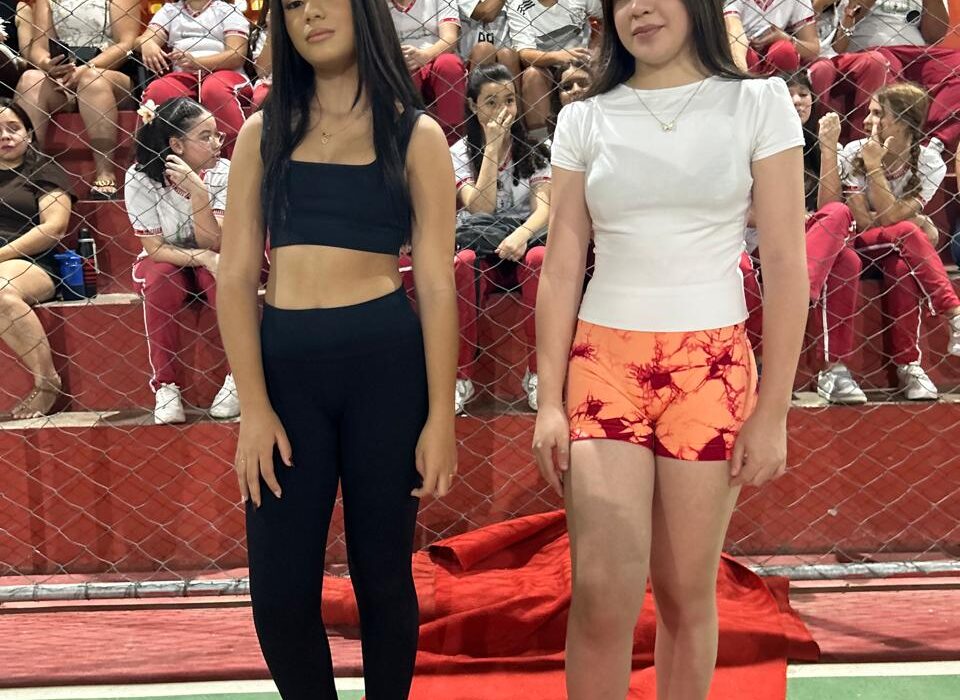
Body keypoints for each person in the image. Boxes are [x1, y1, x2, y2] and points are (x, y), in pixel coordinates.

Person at [532, 1, 808, 698]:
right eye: (621, 0)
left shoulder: (759, 103)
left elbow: (785, 262)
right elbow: (561, 266)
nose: (638, 9)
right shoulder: (583, 118)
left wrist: (774, 411)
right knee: (601, 594)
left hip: (713, 370)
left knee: (687, 591)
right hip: (603, 364)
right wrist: (548, 403)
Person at [216, 0, 459, 695]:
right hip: (285, 374)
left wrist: (441, 417)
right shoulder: (261, 133)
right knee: (279, 594)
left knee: (383, 578)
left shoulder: (416, 136)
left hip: (386, 369)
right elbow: (235, 276)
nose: (309, 14)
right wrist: (254, 408)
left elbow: (436, 284)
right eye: (292, 4)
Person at [822, 82, 960, 400]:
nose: (866, 121)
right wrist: (873, 165)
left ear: (903, 122)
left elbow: (886, 217)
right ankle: (953, 313)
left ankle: (909, 367)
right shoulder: (854, 152)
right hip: (858, 244)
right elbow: (869, 221)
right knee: (911, 232)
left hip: (894, 249)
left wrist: (893, 211)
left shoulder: (930, 162)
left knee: (902, 267)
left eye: (877, 114)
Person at [125, 97, 239, 424]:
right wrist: (202, 256)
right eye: (205, 136)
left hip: (214, 254)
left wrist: (199, 192)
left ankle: (239, 377)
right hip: (168, 258)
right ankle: (166, 386)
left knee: (219, 274)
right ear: (176, 145)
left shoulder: (224, 172)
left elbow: (213, 241)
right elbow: (155, 248)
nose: (217, 143)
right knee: (160, 276)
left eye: (217, 134)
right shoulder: (140, 177)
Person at [452, 63, 551, 411]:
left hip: (525, 242)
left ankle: (538, 374)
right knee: (462, 263)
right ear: (473, 105)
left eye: (509, 100)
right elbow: (480, 207)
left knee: (540, 260)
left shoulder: (538, 148)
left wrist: (521, 236)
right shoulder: (458, 153)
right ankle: (461, 377)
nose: (502, 110)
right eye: (491, 102)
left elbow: (544, 209)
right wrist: (492, 148)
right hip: (482, 246)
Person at [783, 70, 867, 404]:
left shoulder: (821, 144)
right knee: (846, 258)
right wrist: (791, 218)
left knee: (841, 224)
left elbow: (829, 207)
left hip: (813, 242)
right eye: (788, 93)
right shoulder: (754, 142)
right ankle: (834, 369)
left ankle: (802, 292)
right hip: (771, 238)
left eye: (803, 94)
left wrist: (829, 146)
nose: (797, 100)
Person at [15, 0, 140, 198]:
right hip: (63, 75)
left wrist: (88, 68)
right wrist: (48, 64)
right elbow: (38, 48)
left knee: (92, 80)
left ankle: (105, 173)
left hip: (109, 72)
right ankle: (24, 172)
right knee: (30, 79)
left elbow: (126, 44)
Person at [0, 98, 72, 419]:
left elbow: (54, 227)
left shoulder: (43, 170)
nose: (5, 136)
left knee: (0, 291)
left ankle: (47, 383)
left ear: (29, 134)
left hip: (31, 261)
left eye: (13, 128)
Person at [136, 0, 252, 157]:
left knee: (215, 90)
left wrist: (198, 62)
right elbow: (142, 39)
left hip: (224, 72)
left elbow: (236, 55)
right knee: (158, 90)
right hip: (184, 73)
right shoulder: (170, 11)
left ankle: (237, 157)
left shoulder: (227, 11)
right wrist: (147, 43)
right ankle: (155, 161)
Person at [507, 0, 602, 141]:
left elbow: (607, 19)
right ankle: (542, 142)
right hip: (548, 66)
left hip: (583, 61)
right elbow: (525, 53)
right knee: (532, 75)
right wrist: (559, 56)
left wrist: (596, 49)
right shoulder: (519, 6)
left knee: (603, 62)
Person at [388, 0, 467, 145]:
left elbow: (450, 38)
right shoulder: (375, 5)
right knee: (405, 71)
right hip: (399, 62)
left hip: (434, 57)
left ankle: (453, 142)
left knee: (449, 64)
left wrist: (425, 56)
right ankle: (407, 142)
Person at [721, 0, 820, 76]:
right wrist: (742, 72)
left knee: (784, 50)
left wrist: (785, 38)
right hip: (742, 45)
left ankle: (782, 93)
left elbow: (813, 49)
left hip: (774, 50)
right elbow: (734, 33)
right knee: (747, 56)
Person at [458, 0, 519, 75]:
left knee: (507, 55)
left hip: (505, 55)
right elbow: (487, 14)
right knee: (484, 50)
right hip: (469, 61)